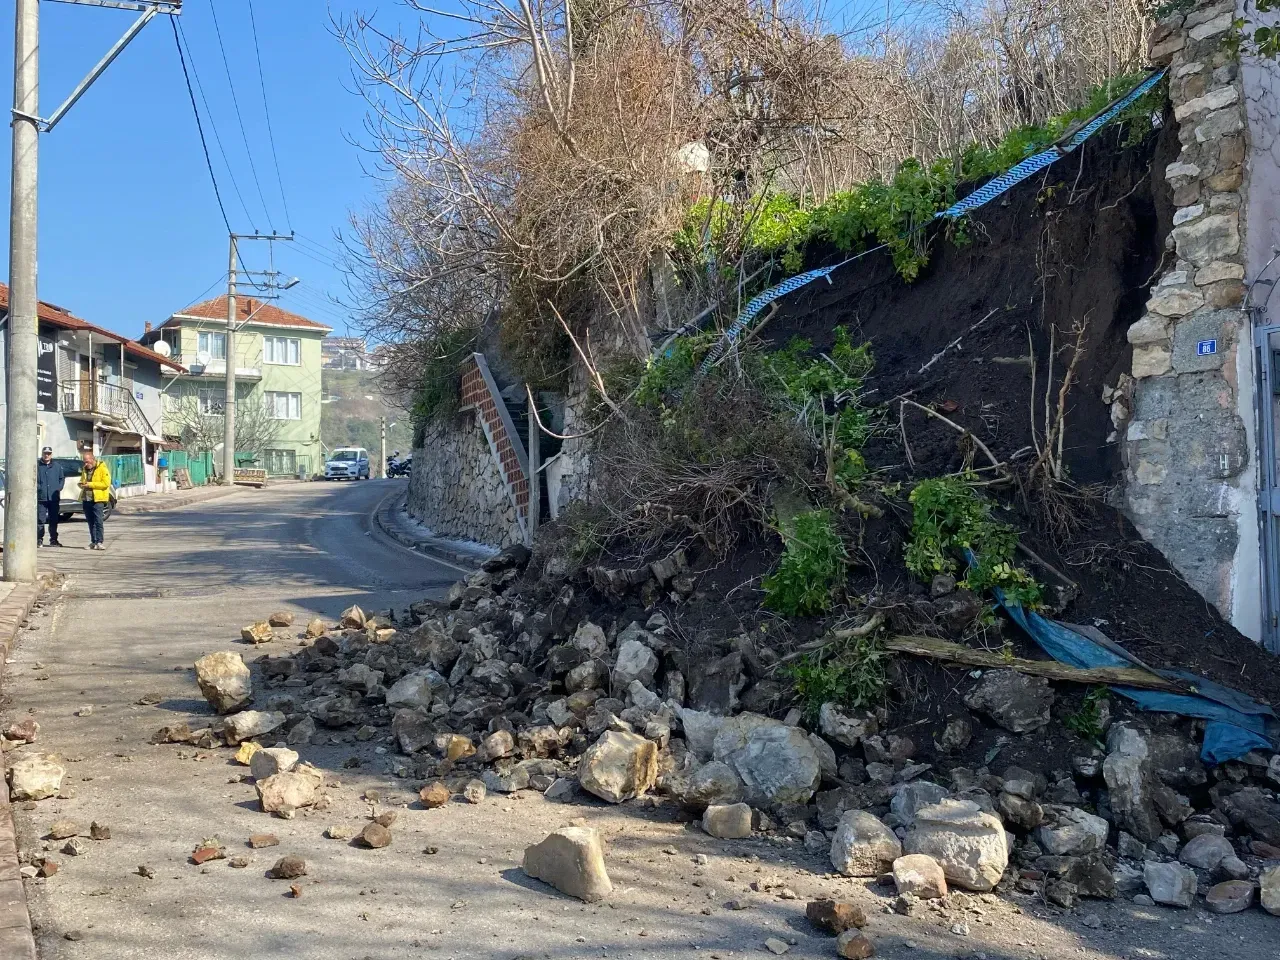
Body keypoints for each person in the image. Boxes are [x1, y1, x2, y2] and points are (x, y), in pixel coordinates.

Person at [79, 449, 112, 551]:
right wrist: (81, 484)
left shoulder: (102, 468)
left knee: (98, 521)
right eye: (84, 461)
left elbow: (106, 483)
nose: (86, 463)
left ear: (93, 459)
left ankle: (99, 542)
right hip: (87, 498)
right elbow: (83, 481)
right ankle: (93, 541)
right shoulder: (85, 469)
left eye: (87, 461)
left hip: (98, 499)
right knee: (90, 522)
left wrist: (91, 484)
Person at [36, 447, 66, 547]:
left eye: (48, 453)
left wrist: (59, 488)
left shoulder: (57, 466)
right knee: (40, 520)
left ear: (51, 454)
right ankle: (39, 539)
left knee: (54, 519)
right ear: (42, 453)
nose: (47, 455)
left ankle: (53, 540)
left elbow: (61, 478)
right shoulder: (37, 465)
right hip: (42, 497)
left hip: (53, 498)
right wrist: (38, 488)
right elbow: (32, 478)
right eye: (45, 453)